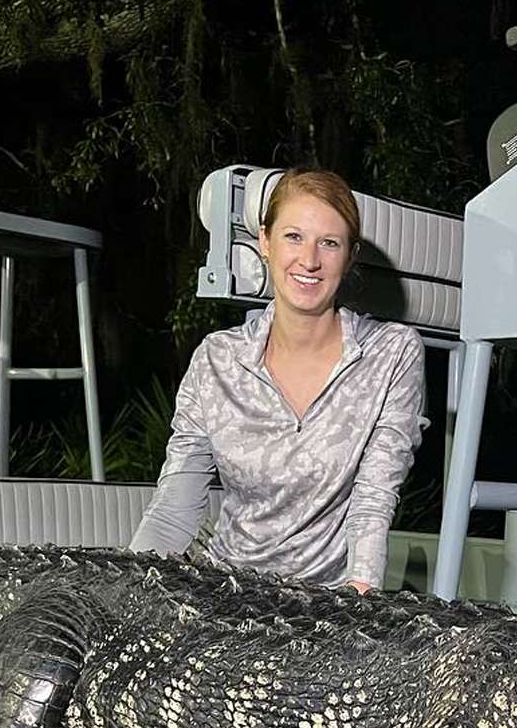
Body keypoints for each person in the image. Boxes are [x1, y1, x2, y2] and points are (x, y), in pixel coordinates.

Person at [127, 168, 427, 592]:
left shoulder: (391, 352)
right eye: (293, 237)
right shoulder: (217, 358)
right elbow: (174, 509)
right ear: (265, 242)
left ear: (350, 256)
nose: (309, 260)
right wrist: (125, 594)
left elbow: (373, 501)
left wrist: (360, 601)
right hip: (224, 592)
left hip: (325, 604)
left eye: (329, 243)